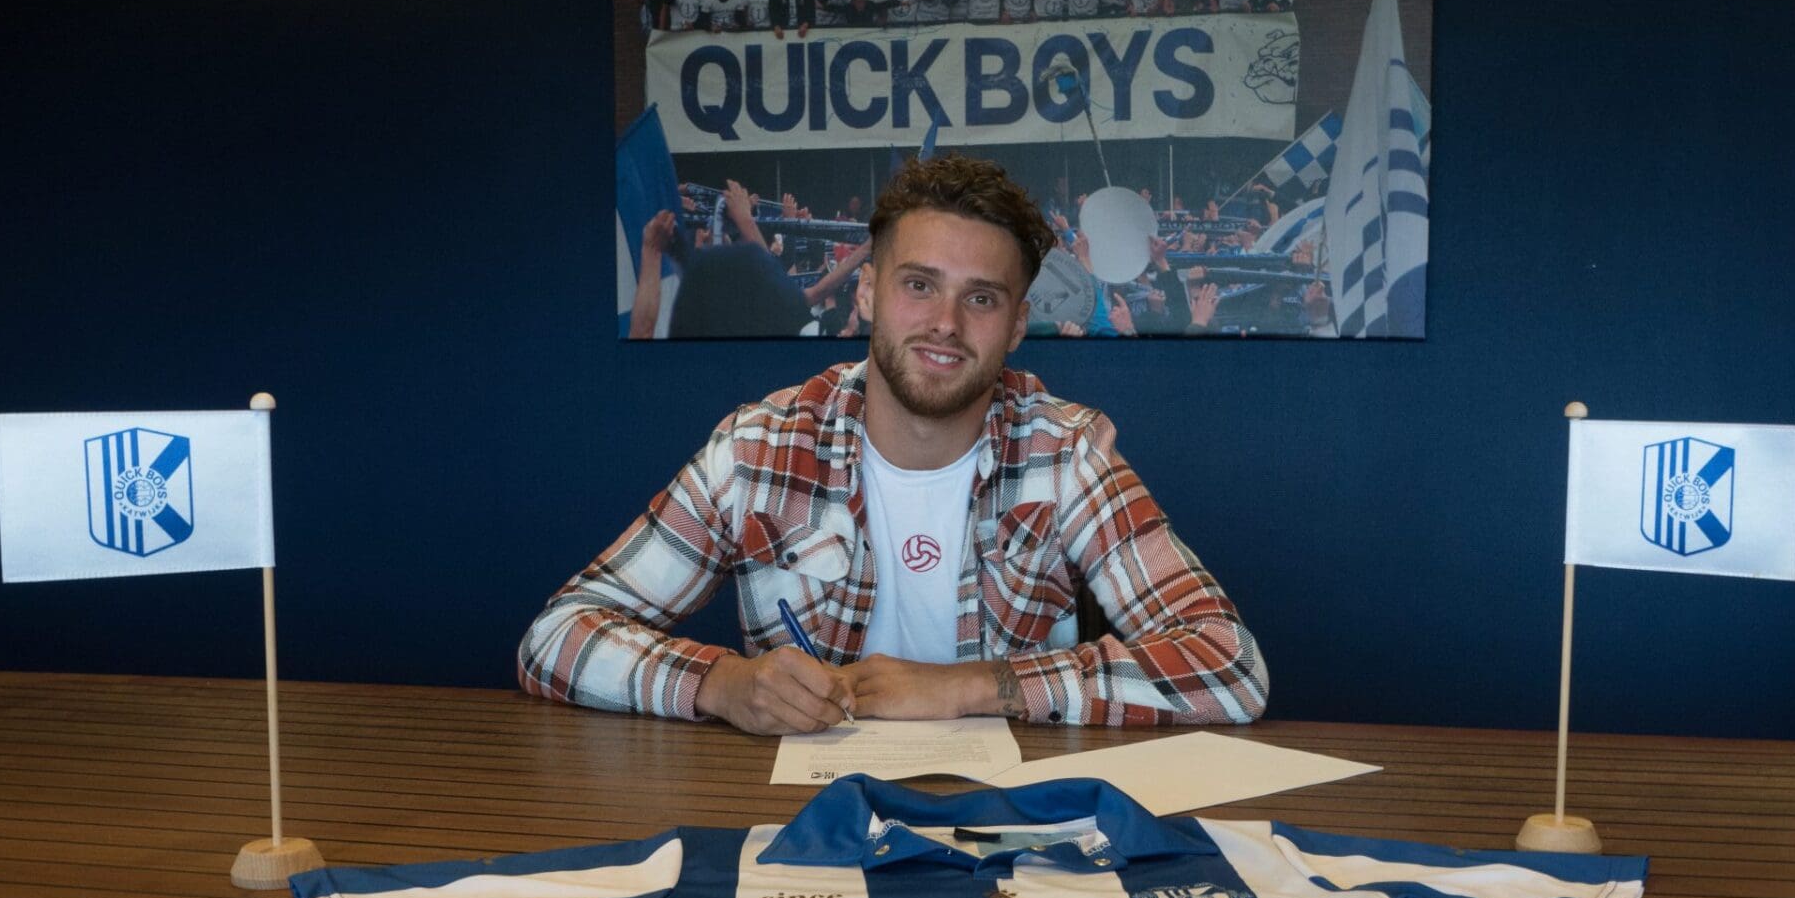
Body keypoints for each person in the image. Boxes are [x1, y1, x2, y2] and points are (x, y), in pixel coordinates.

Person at [522, 155, 1268, 733]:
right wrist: (722, 684)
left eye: (981, 297)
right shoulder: (760, 447)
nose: (946, 322)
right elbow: (555, 636)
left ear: (1016, 325)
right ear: (869, 292)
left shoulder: (1066, 452)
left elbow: (1230, 666)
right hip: (804, 829)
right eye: (919, 285)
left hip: (1012, 829)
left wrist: (974, 686)